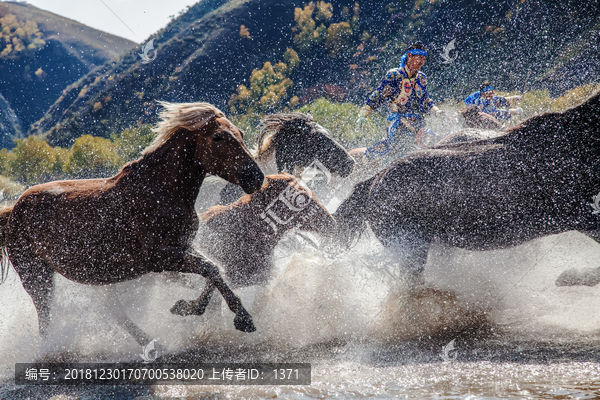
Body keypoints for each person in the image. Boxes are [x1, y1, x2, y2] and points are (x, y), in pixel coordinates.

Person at [356, 43, 441, 161]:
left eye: (424, 59)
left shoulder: (422, 78)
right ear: (410, 56)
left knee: (439, 143)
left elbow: (426, 102)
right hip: (400, 124)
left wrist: (437, 112)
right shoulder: (394, 75)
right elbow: (379, 95)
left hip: (420, 124)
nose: (422, 61)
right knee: (405, 148)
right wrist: (364, 114)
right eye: (420, 58)